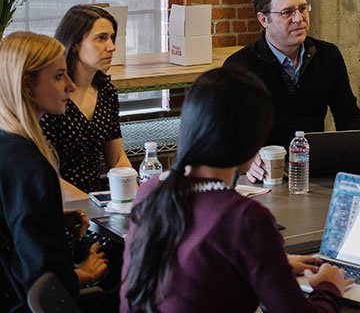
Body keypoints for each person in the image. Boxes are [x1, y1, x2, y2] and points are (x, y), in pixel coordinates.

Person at [120, 67, 352, 312]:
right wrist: (329, 286)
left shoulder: (150, 189)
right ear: (250, 138)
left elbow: (192, 272)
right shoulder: (245, 217)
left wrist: (273, 264)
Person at [0, 32, 108, 312]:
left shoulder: (6, 145)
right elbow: (42, 279)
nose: (71, 86)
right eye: (59, 76)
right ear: (27, 85)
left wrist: (50, 216)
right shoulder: (31, 166)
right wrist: (82, 273)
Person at [223, 0, 360, 183]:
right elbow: (226, 132)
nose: (299, 19)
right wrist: (246, 159)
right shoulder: (240, 66)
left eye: (303, 9)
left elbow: (349, 116)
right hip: (262, 175)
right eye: (287, 12)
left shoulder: (328, 56)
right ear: (263, 19)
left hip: (314, 171)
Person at [40, 4, 133, 200]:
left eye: (112, 37)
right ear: (74, 44)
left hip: (97, 197)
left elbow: (116, 159)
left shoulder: (106, 91)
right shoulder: (51, 97)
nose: (112, 46)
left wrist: (136, 196)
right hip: (57, 202)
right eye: (101, 38)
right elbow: (46, 176)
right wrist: (90, 209)